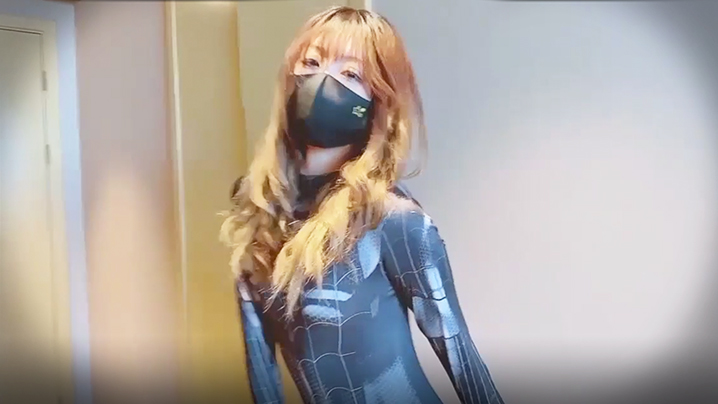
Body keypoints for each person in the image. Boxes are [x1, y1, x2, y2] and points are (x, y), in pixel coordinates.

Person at [221, 6, 504, 404]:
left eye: (351, 74)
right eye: (312, 63)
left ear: (378, 103)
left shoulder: (393, 219)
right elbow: (260, 365)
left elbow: (460, 355)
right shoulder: (256, 208)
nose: (325, 81)